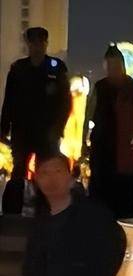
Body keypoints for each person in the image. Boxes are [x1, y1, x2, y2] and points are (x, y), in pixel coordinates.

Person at [0, 27, 71, 216]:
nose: (37, 47)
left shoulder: (56, 68)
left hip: (47, 133)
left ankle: (45, 211)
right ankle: (12, 213)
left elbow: (65, 102)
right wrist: (3, 129)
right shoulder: (18, 69)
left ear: (46, 44)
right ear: (28, 45)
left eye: (41, 43)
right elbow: (9, 101)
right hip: (22, 131)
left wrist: (58, 128)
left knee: (46, 172)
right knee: (18, 172)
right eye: (33, 43)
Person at [83, 44, 133, 219]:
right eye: (110, 65)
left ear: (122, 65)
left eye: (116, 65)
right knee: (101, 191)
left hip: (125, 147)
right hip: (102, 146)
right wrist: (83, 142)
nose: (113, 69)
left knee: (125, 192)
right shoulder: (100, 87)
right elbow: (88, 114)